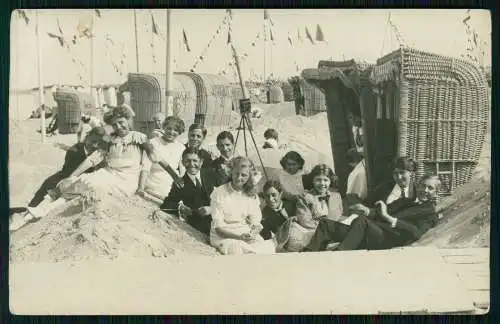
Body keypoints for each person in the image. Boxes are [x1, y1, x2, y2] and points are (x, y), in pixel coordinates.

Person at [10, 105, 157, 230]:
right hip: (108, 173)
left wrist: (143, 186)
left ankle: (41, 211)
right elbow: (92, 160)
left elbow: (149, 164)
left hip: (126, 181)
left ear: (128, 120)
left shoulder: (139, 137)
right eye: (114, 125)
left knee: (88, 184)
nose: (118, 127)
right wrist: (72, 176)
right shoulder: (110, 138)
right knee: (72, 182)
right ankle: (34, 212)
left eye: (121, 122)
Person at [302, 175, 441, 252]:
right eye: (423, 186)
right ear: (417, 186)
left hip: (387, 238)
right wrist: (367, 211)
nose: (426, 190)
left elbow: (416, 232)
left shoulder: (430, 214)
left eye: (431, 188)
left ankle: (341, 254)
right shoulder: (404, 201)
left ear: (436, 192)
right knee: (326, 225)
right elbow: (379, 213)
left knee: (362, 221)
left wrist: (388, 218)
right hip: (368, 232)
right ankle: (308, 256)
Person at [28, 127, 107, 208]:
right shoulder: (74, 150)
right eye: (92, 141)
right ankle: (32, 207)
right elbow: (69, 173)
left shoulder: (98, 153)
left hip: (84, 182)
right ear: (87, 137)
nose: (94, 145)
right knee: (48, 185)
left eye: (98, 143)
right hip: (66, 176)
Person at [209, 156, 274, 255]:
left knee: (265, 246)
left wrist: (252, 234)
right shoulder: (219, 193)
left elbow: (256, 222)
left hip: (244, 233)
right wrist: (239, 237)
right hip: (224, 236)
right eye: (236, 173)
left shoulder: (251, 195)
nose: (239, 178)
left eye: (244, 175)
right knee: (237, 248)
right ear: (231, 172)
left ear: (249, 177)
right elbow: (218, 229)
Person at [275, 164, 344, 252]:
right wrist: (324, 228)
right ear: (313, 181)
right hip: (313, 232)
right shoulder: (306, 197)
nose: (322, 183)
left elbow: (338, 216)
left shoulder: (336, 196)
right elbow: (305, 220)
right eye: (318, 180)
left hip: (333, 232)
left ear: (330, 181)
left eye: (325, 180)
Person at [159, 148, 222, 235]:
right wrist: (180, 207)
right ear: (183, 162)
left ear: (201, 161)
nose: (192, 164)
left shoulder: (210, 173)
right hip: (199, 225)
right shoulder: (181, 183)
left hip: (219, 218)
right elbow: (166, 205)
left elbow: (226, 191)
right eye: (188, 161)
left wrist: (213, 209)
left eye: (195, 161)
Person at [347, 156, 418, 217]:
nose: (399, 177)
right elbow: (367, 203)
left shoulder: (417, 192)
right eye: (395, 173)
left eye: (402, 172)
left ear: (411, 173)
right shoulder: (384, 187)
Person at [140, 116, 186, 201]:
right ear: (164, 127)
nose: (171, 132)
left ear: (179, 132)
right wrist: (141, 188)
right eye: (169, 128)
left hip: (172, 183)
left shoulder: (181, 147)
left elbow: (183, 170)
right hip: (153, 183)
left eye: (175, 130)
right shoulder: (153, 143)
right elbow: (145, 167)